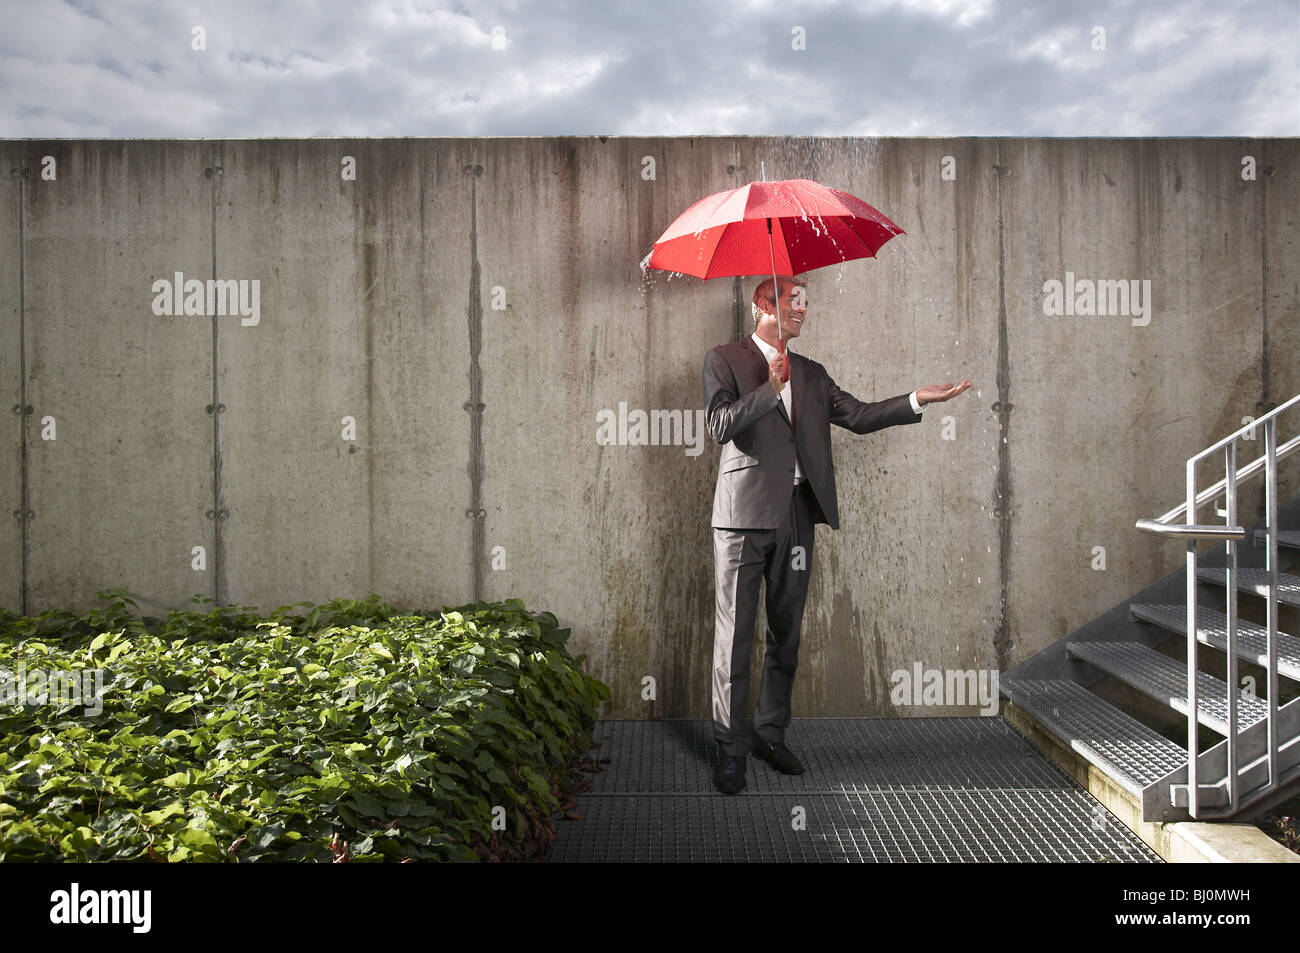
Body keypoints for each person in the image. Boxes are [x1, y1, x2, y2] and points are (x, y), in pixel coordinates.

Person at [702, 275, 971, 794]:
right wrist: (769, 389)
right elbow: (719, 426)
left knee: (787, 633)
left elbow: (860, 416)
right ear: (763, 303)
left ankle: (770, 734)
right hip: (741, 518)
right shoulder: (724, 357)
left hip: (799, 515)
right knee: (733, 637)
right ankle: (730, 749)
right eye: (793, 301)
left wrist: (917, 399)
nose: (803, 310)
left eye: (807, 303)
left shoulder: (812, 372)